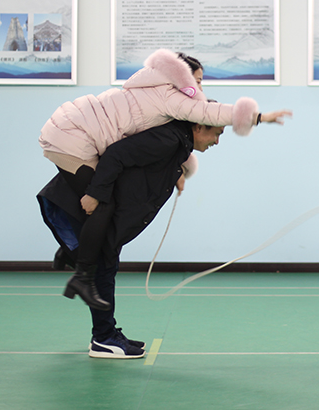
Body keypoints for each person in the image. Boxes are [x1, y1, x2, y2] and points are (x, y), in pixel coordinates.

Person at [39, 48, 291, 271]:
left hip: (72, 127)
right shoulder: (170, 96)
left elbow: (158, 141)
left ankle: (72, 253)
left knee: (102, 197)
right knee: (102, 202)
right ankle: (82, 273)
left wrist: (180, 168)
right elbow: (207, 112)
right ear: (183, 79)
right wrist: (259, 117)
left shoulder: (152, 89)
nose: (201, 91)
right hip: (72, 137)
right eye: (198, 83)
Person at [37, 119, 225, 358]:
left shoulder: (175, 144)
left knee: (105, 265)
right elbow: (116, 155)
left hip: (103, 210)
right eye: (216, 134)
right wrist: (95, 195)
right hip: (87, 203)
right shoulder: (168, 139)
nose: (217, 141)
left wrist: (177, 169)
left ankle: (105, 331)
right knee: (103, 267)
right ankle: (103, 338)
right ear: (198, 127)